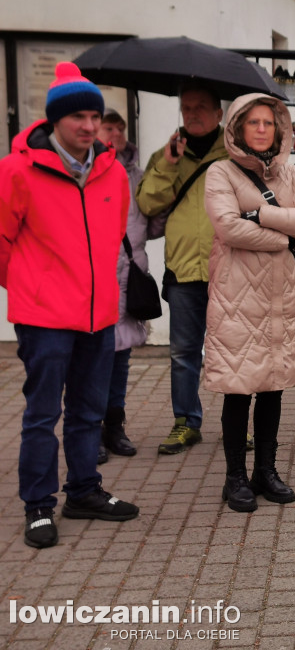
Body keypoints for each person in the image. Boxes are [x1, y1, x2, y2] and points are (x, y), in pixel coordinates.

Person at [0, 62, 140, 549]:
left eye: (93, 116)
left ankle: (83, 491)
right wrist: (30, 286)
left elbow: (112, 237)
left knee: (88, 412)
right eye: (77, 115)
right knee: (42, 415)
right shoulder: (18, 169)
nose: (87, 125)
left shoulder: (113, 173)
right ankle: (38, 505)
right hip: (44, 318)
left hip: (98, 315)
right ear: (55, 120)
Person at [203, 94, 295, 512]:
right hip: (237, 297)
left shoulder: (293, 174)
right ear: (237, 128)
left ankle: (266, 471)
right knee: (239, 388)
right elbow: (228, 228)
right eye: (252, 122)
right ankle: (234, 476)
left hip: (281, 295)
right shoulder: (220, 172)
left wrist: (261, 216)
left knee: (273, 387)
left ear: (280, 129)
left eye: (268, 123)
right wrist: (285, 234)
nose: (260, 129)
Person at [137, 84, 230, 455]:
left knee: (231, 351)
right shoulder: (167, 155)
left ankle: (236, 424)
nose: (192, 113)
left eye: (201, 107)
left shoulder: (235, 154)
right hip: (183, 268)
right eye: (186, 107)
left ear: (219, 114)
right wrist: (168, 165)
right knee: (183, 352)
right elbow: (146, 203)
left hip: (229, 268)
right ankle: (186, 422)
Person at [97, 110, 162, 463]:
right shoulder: (87, 174)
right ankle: (90, 431)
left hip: (128, 276)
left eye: (121, 127)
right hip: (96, 277)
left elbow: (152, 223)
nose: (116, 132)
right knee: (92, 360)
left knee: (120, 360)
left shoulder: (139, 177)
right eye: (109, 127)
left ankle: (114, 426)